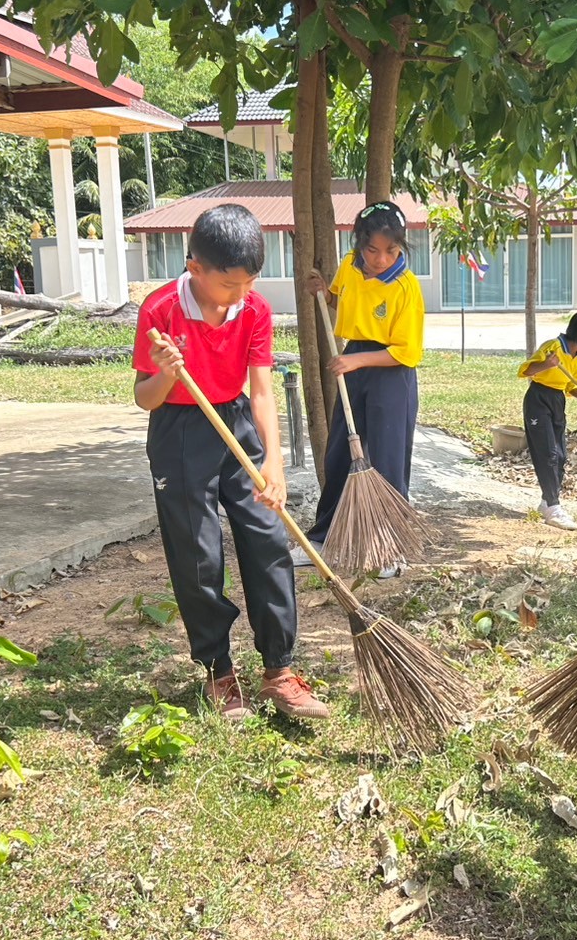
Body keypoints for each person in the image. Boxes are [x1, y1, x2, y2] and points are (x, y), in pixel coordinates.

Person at [134, 205, 329, 722]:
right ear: (194, 268)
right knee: (198, 553)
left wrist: (277, 470)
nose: (240, 296)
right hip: (179, 431)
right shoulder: (160, 311)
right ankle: (219, 670)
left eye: (250, 283)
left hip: (236, 423)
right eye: (229, 285)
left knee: (268, 538)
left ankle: (280, 670)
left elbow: (263, 393)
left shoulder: (255, 310)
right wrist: (167, 375)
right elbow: (144, 399)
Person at [298, 201, 425, 577]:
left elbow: (407, 352)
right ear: (358, 244)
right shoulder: (350, 267)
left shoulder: (407, 287)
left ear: (401, 247)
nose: (380, 258)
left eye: (391, 250)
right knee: (340, 454)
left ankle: (389, 548)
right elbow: (340, 301)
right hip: (352, 363)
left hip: (391, 374)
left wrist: (356, 361)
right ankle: (323, 538)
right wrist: (322, 292)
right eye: (372, 249)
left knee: (387, 460)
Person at [516, 310, 577, 531]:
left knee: (560, 455)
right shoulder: (553, 348)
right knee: (547, 453)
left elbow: (571, 386)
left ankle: (547, 501)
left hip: (557, 401)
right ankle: (553, 507)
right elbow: (526, 371)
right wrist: (547, 364)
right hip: (539, 399)